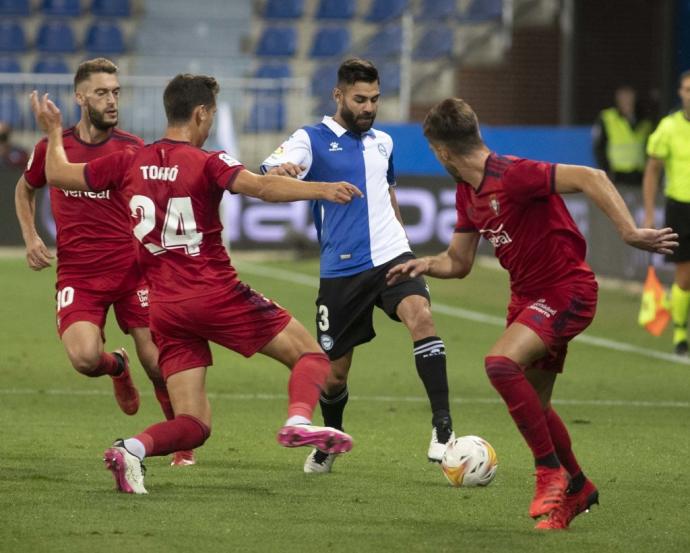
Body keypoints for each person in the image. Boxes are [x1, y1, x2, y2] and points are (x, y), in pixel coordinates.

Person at [30, 73, 362, 494]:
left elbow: (57, 173)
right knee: (313, 357)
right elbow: (259, 187)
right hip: (214, 293)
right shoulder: (208, 161)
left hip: (165, 309)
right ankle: (298, 419)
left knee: (194, 423)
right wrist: (322, 188)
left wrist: (53, 131)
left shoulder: (130, 159)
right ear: (201, 113)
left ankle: (130, 450)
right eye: (211, 115)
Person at [387, 98, 676, 529]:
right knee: (536, 403)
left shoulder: (514, 174)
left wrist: (629, 232)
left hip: (567, 291)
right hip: (526, 299)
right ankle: (578, 487)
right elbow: (459, 262)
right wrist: (428, 263)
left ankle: (548, 472)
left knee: (500, 364)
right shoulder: (468, 192)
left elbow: (592, 176)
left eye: (434, 150)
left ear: (442, 151)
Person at [260, 58, 456, 474]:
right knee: (334, 376)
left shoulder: (383, 142)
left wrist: (406, 245)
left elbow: (388, 193)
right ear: (338, 95)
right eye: (360, 99)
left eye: (375, 99)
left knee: (421, 318)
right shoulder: (310, 138)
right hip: (342, 270)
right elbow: (272, 172)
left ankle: (444, 428)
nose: (369, 108)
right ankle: (332, 440)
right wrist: (283, 169)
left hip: (392, 255)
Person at [15, 58, 194, 466]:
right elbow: (25, 190)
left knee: (157, 361)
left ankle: (180, 442)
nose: (112, 100)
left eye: (116, 92)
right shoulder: (53, 148)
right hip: (79, 274)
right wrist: (30, 237)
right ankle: (116, 366)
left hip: (133, 272)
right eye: (101, 92)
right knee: (84, 359)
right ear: (80, 97)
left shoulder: (132, 148)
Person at [643, 70, 690, 356]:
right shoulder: (668, 128)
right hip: (680, 207)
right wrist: (649, 212)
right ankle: (681, 332)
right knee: (684, 276)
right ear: (680, 93)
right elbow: (652, 171)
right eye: (686, 89)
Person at [592, 85, 653, 186]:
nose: (626, 101)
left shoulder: (644, 120)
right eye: (623, 97)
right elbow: (599, 147)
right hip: (616, 175)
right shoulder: (607, 118)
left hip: (639, 175)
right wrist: (605, 171)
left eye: (629, 97)